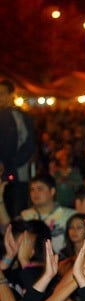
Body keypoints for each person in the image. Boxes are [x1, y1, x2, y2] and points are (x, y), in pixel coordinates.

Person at [0, 79, 35, 219]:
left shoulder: (18, 116)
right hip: (8, 173)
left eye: (2, 94)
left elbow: (29, 144)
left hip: (16, 175)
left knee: (15, 213)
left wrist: (10, 164)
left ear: (11, 95)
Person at [20, 174, 76, 253]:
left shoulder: (69, 215)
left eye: (40, 189)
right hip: (33, 262)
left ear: (52, 191)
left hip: (63, 261)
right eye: (32, 189)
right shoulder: (25, 216)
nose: (35, 193)